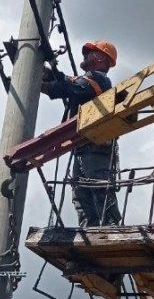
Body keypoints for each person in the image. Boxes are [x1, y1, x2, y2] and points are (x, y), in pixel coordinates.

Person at [41, 41, 121, 228]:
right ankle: (89, 228)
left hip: (95, 145)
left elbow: (71, 88)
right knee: (80, 191)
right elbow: (69, 82)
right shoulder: (87, 79)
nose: (85, 56)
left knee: (98, 184)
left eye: (90, 53)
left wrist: (43, 83)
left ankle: (110, 226)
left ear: (101, 59)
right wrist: (48, 75)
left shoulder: (98, 79)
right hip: (82, 146)